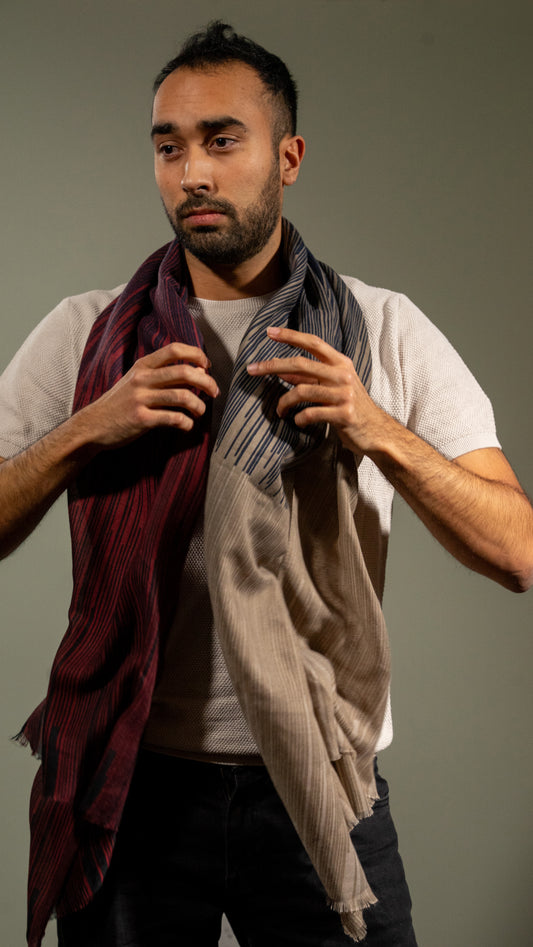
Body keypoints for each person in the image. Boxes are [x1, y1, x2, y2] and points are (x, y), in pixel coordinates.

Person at [1, 20, 532, 947]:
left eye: (221, 140)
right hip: (132, 784)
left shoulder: (379, 327)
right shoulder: (89, 336)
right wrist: (92, 427)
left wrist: (372, 426)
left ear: (287, 156)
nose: (191, 173)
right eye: (167, 147)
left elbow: (516, 549)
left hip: (322, 776)